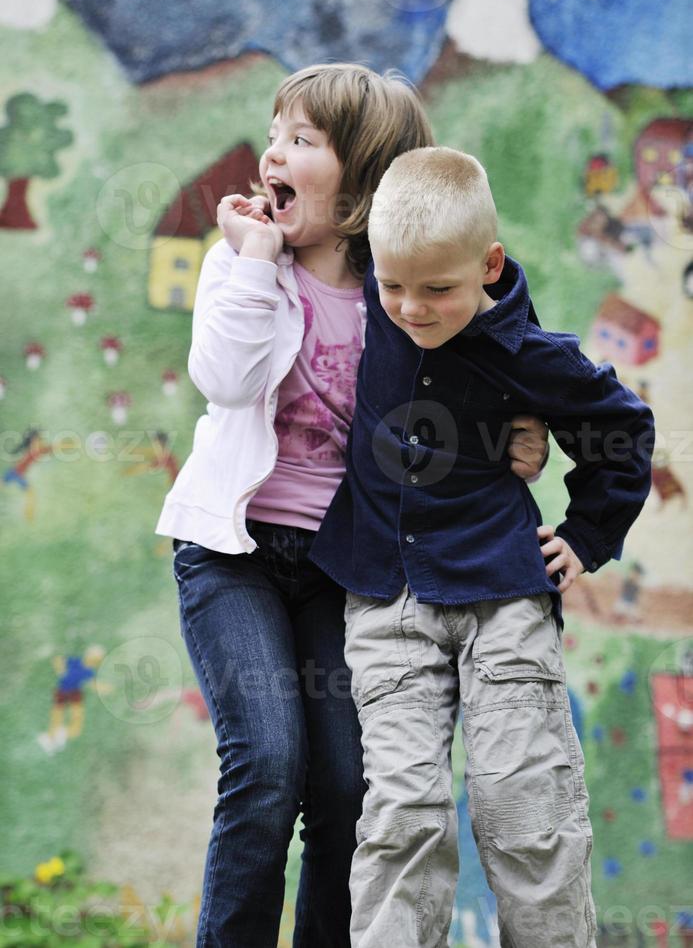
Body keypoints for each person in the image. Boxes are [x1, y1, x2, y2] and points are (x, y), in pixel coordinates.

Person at [155, 67, 550, 948]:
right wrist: (258, 262)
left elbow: (491, 353)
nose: (272, 153)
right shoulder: (241, 260)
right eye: (275, 133)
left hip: (349, 568)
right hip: (233, 553)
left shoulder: (401, 293)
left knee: (348, 785)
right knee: (266, 768)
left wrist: (527, 424)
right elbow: (224, 377)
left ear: (365, 173)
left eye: (301, 139)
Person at [309, 147, 655, 948]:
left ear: (489, 265)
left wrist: (584, 535)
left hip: (503, 596)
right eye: (393, 287)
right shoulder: (377, 296)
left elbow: (620, 428)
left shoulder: (531, 355)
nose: (411, 309)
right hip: (387, 603)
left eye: (438, 290)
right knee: (401, 812)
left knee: (524, 811)